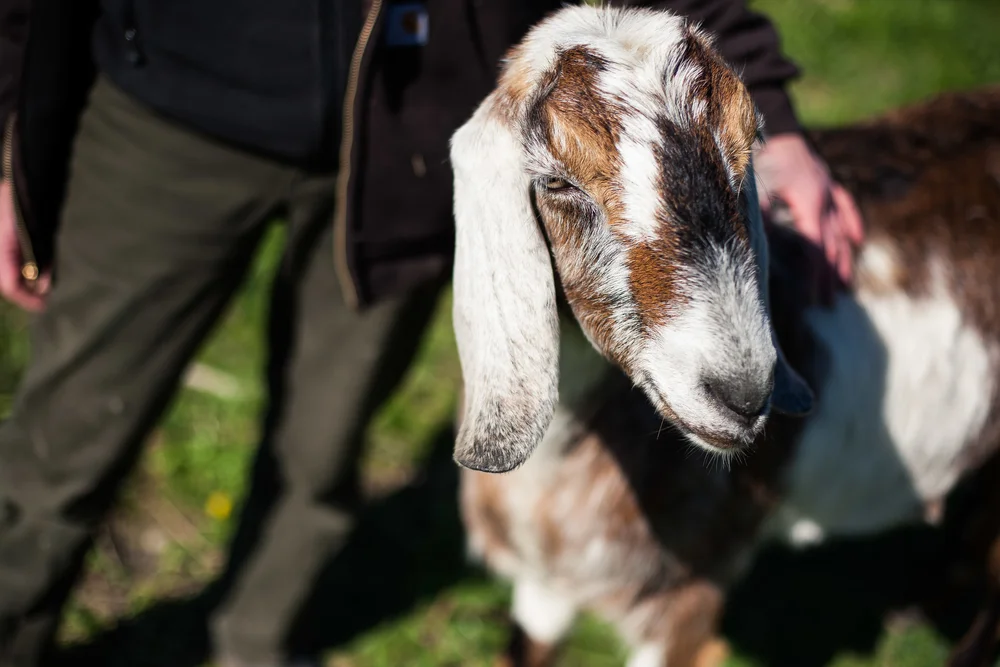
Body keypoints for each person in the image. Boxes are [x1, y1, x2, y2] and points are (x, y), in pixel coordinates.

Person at [0, 0, 864, 665]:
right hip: (166, 113)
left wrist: (767, 118)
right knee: (67, 439)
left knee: (321, 447)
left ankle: (253, 644)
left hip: (408, 136)